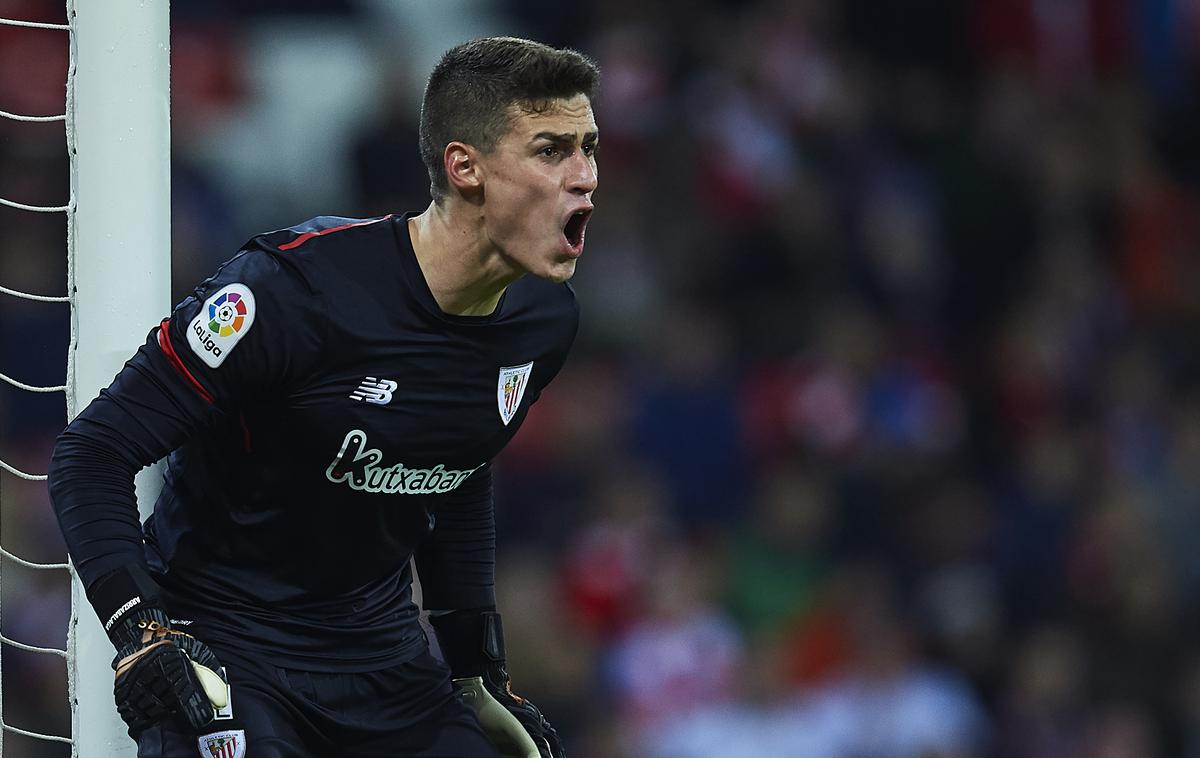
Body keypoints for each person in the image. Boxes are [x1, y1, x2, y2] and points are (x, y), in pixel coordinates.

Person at [48, 35, 599, 758]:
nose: (586, 176)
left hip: (383, 659)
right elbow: (91, 453)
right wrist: (141, 630)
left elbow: (458, 468)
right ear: (466, 167)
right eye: (552, 151)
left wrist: (475, 667)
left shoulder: (544, 322)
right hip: (230, 648)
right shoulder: (291, 294)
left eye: (589, 147)